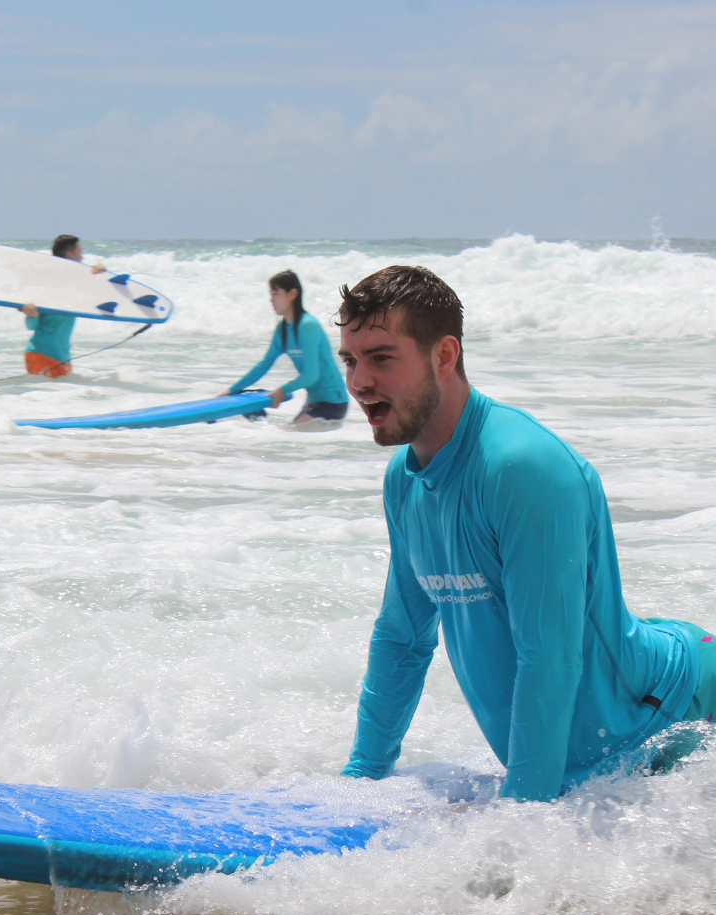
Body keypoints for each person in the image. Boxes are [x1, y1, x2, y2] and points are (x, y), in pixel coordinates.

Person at [338, 264, 715, 802]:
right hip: (599, 747)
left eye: (381, 358)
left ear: (443, 355)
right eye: (350, 360)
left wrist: (523, 822)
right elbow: (403, 638)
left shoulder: (521, 466)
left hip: (676, 712)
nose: (358, 382)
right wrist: (361, 780)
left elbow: (550, 657)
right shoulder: (405, 479)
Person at [219, 270, 349, 426]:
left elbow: (311, 375)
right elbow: (264, 365)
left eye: (276, 294)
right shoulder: (283, 329)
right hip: (313, 403)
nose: (271, 300)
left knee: (286, 435)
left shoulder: (308, 325)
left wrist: (283, 389)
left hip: (333, 403)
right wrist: (232, 390)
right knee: (277, 433)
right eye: (271, 294)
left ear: (292, 294)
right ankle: (257, 417)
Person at [21, 234, 106, 378]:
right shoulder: (48, 285)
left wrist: (101, 274)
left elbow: (97, 296)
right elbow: (31, 325)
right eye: (80, 252)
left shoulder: (75, 285)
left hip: (62, 357)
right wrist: (31, 314)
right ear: (69, 254)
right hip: (41, 355)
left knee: (63, 397)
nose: (82, 257)